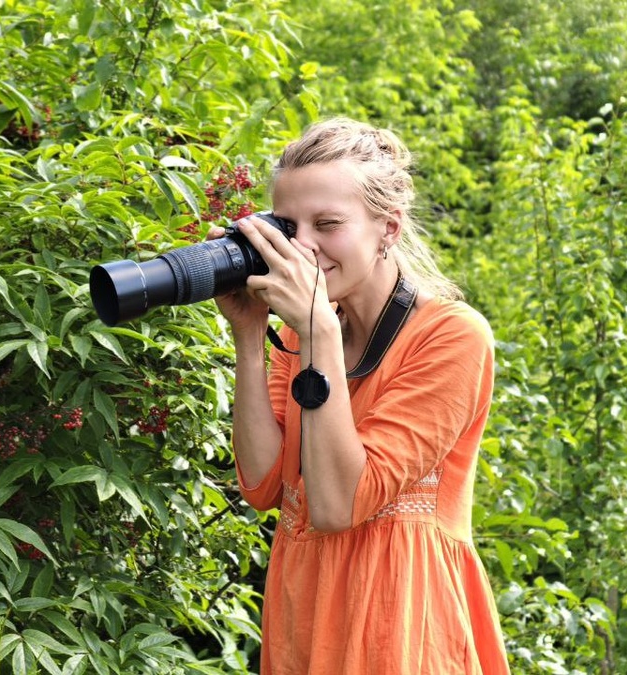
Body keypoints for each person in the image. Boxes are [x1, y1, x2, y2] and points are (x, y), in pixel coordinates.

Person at [209, 117, 511, 674]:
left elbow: (335, 505)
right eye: (288, 224)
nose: (303, 247)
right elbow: (263, 484)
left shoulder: (451, 337)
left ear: (389, 229)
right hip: (305, 614)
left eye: (328, 223)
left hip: (401, 623)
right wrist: (250, 333)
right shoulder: (300, 333)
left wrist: (319, 331)